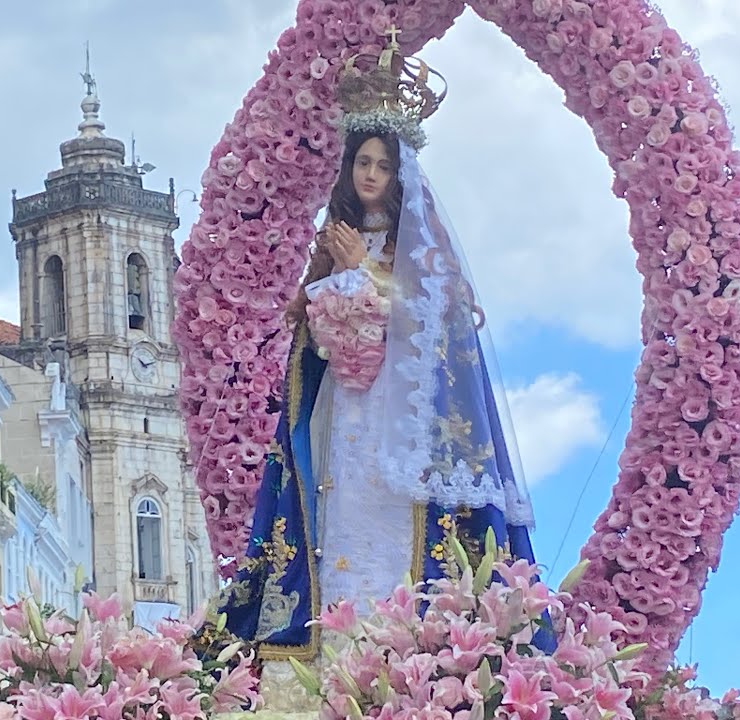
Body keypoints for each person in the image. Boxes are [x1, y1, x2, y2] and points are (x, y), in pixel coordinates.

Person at [216, 33, 552, 665]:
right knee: (341, 506)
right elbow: (306, 326)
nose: (370, 175)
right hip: (345, 406)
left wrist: (363, 278)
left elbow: (438, 319)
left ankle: (405, 644)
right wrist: (325, 298)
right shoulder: (336, 237)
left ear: (401, 175)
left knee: (393, 516)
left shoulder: (420, 247)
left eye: (382, 165)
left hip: (401, 416)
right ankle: (339, 643)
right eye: (361, 163)